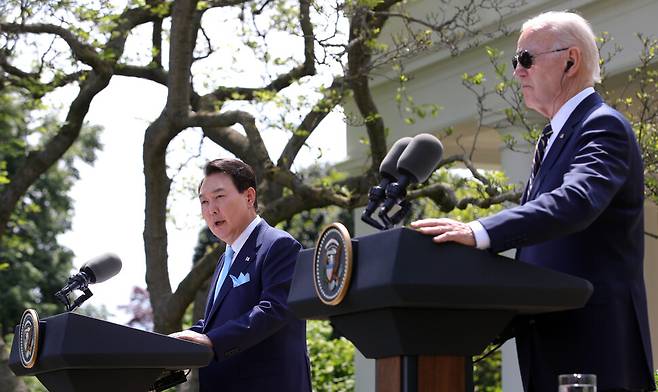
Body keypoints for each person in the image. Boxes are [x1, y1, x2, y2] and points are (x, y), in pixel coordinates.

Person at [411, 11, 655, 392]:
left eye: (526, 59)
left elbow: (574, 201)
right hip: (548, 343)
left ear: (570, 61)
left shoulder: (603, 126)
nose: (517, 72)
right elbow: (538, 252)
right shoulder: (552, 139)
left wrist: (477, 230)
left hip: (594, 349)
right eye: (515, 61)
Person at [170, 158, 311, 392]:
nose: (211, 209)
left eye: (219, 197)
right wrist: (175, 342)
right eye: (204, 201)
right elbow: (219, 321)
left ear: (249, 197)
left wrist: (213, 341)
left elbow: (274, 309)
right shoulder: (226, 258)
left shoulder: (279, 245)